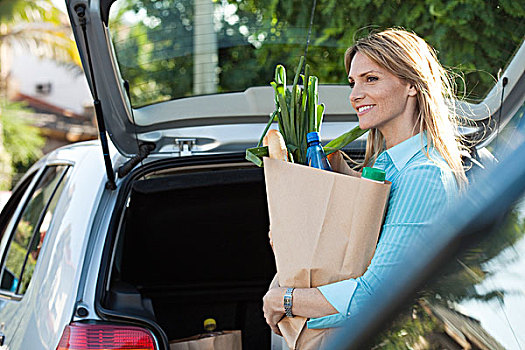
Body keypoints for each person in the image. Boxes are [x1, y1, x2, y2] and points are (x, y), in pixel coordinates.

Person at [262, 28, 467, 337]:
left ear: (412, 84)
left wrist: (287, 303)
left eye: (371, 79)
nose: (355, 94)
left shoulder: (425, 176)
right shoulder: (382, 169)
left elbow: (376, 297)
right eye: (353, 82)